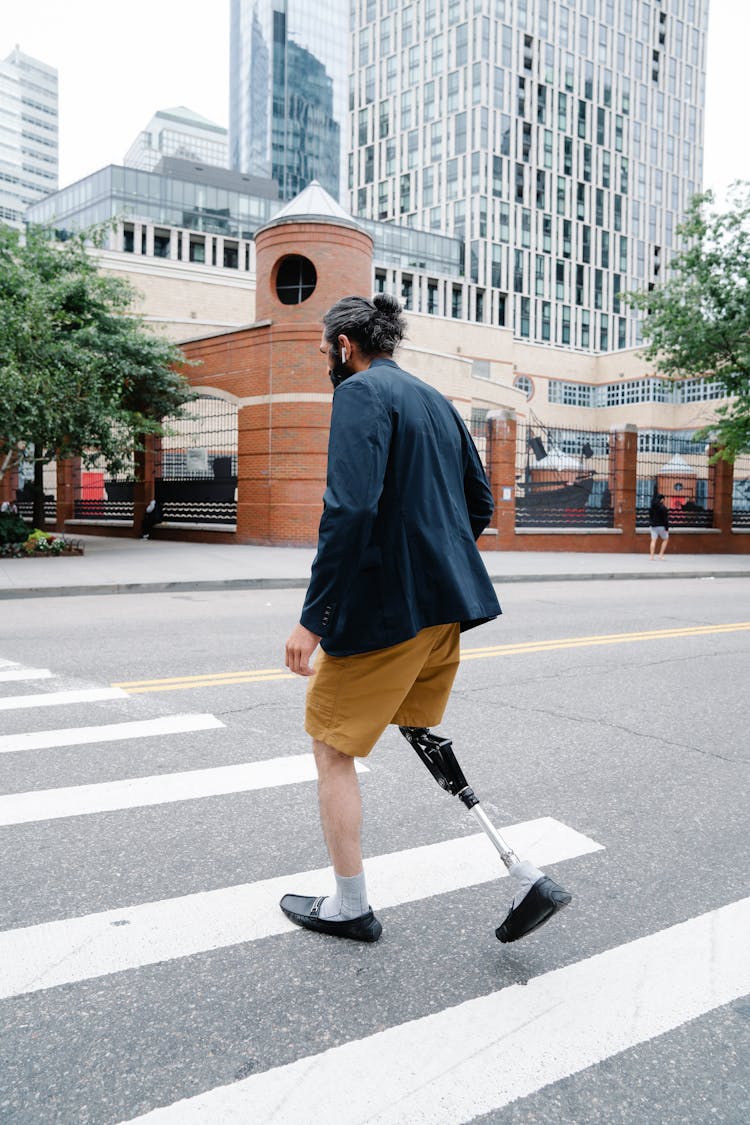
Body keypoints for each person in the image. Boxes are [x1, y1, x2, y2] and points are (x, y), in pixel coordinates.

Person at [281, 294, 501, 943]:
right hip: (445, 609)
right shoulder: (435, 399)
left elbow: (349, 510)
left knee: (331, 743)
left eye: (325, 349)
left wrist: (313, 620)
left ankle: (350, 906)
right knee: (404, 722)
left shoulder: (358, 393)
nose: (325, 359)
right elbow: (480, 501)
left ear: (345, 345)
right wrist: (434, 557)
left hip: (389, 612)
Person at [648, 492, 670, 559]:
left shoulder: (652, 507)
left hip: (653, 526)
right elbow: (665, 519)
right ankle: (661, 554)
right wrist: (667, 527)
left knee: (653, 540)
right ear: (662, 499)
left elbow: (650, 516)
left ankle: (651, 556)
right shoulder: (663, 508)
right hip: (662, 526)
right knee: (665, 539)